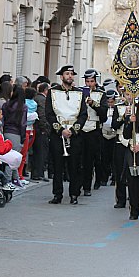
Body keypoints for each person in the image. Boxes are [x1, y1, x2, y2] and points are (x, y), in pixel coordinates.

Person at [46, 65, 87, 205]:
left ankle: (74, 194)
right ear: (61, 76)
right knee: (57, 166)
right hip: (58, 134)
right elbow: (49, 114)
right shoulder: (52, 92)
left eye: (71, 74)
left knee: (74, 166)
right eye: (67, 74)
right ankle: (57, 194)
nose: (70, 76)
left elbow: (83, 114)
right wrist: (60, 130)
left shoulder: (80, 93)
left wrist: (74, 130)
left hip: (74, 134)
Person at [2, 85, 27, 187]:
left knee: (9, 157)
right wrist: (23, 137)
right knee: (12, 159)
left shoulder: (6, 105)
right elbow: (23, 123)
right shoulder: (23, 107)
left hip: (6, 131)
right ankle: (8, 181)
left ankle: (15, 179)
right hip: (16, 133)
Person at [31, 83, 50, 182]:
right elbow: (43, 114)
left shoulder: (36, 98)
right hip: (40, 129)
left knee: (38, 151)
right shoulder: (42, 100)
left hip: (36, 128)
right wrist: (45, 128)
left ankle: (36, 172)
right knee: (41, 151)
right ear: (46, 90)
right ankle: (39, 173)